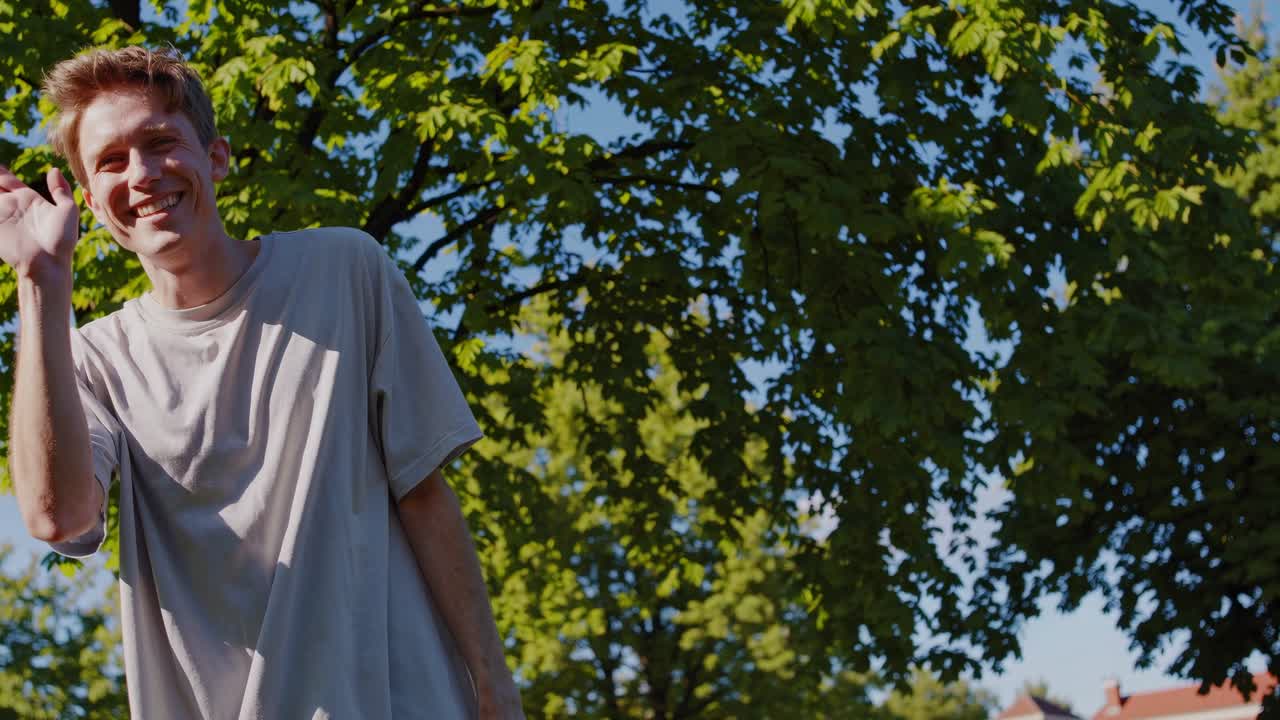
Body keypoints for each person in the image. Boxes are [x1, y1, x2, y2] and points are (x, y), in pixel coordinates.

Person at [1, 45, 524, 719]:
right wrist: (40, 284)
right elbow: (57, 516)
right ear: (90, 197)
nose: (143, 173)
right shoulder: (91, 359)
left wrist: (493, 683)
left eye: (162, 142)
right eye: (110, 160)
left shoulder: (346, 270)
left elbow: (423, 493)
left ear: (215, 158)